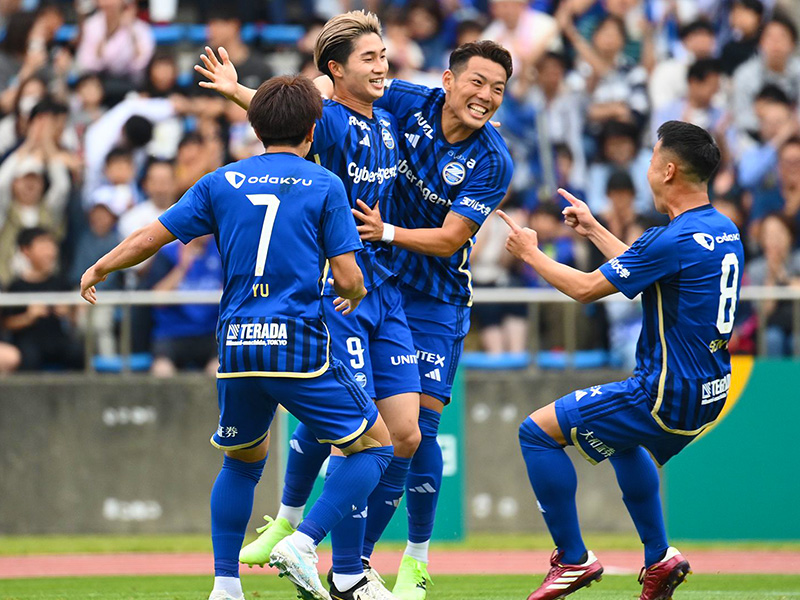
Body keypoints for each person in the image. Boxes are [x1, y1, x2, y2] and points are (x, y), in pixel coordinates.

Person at [79, 74, 395, 600]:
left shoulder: (221, 181)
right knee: (376, 446)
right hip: (297, 344)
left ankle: (225, 583)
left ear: (254, 125)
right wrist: (356, 290)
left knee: (242, 461)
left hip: (236, 344)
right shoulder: (325, 184)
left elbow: (150, 237)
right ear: (314, 129)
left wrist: (100, 267)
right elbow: (349, 276)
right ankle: (304, 541)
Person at [196, 12, 422, 599]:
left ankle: (308, 540)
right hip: (340, 293)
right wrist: (242, 93)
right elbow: (288, 118)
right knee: (356, 433)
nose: (382, 66)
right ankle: (340, 567)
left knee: (404, 433)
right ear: (335, 71)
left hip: (384, 290)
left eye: (383, 55)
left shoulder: (391, 122)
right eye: (369, 58)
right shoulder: (333, 126)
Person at [497, 120, 743, 600]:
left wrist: (531, 253)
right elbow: (649, 269)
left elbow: (589, 289)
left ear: (668, 171)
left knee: (536, 433)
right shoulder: (721, 228)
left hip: (663, 392)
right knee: (624, 444)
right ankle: (659, 558)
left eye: (652, 160)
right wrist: (594, 228)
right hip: (711, 389)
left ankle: (573, 559)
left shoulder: (668, 238)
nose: (647, 168)